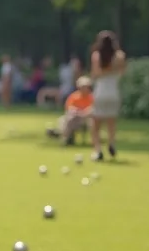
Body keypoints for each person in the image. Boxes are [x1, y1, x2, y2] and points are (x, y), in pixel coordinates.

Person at [90, 30, 126, 160]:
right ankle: (111, 143)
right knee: (111, 122)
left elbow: (95, 74)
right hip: (113, 91)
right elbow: (122, 72)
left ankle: (98, 149)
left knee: (95, 123)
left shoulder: (96, 55)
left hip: (100, 91)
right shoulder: (119, 56)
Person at [46, 76, 93, 145]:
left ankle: (60, 134)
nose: (84, 89)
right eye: (82, 86)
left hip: (85, 119)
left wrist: (82, 113)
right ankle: (66, 137)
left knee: (71, 120)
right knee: (66, 119)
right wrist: (77, 112)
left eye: (86, 87)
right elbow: (70, 109)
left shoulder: (91, 98)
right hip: (74, 118)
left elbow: (92, 110)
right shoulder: (74, 97)